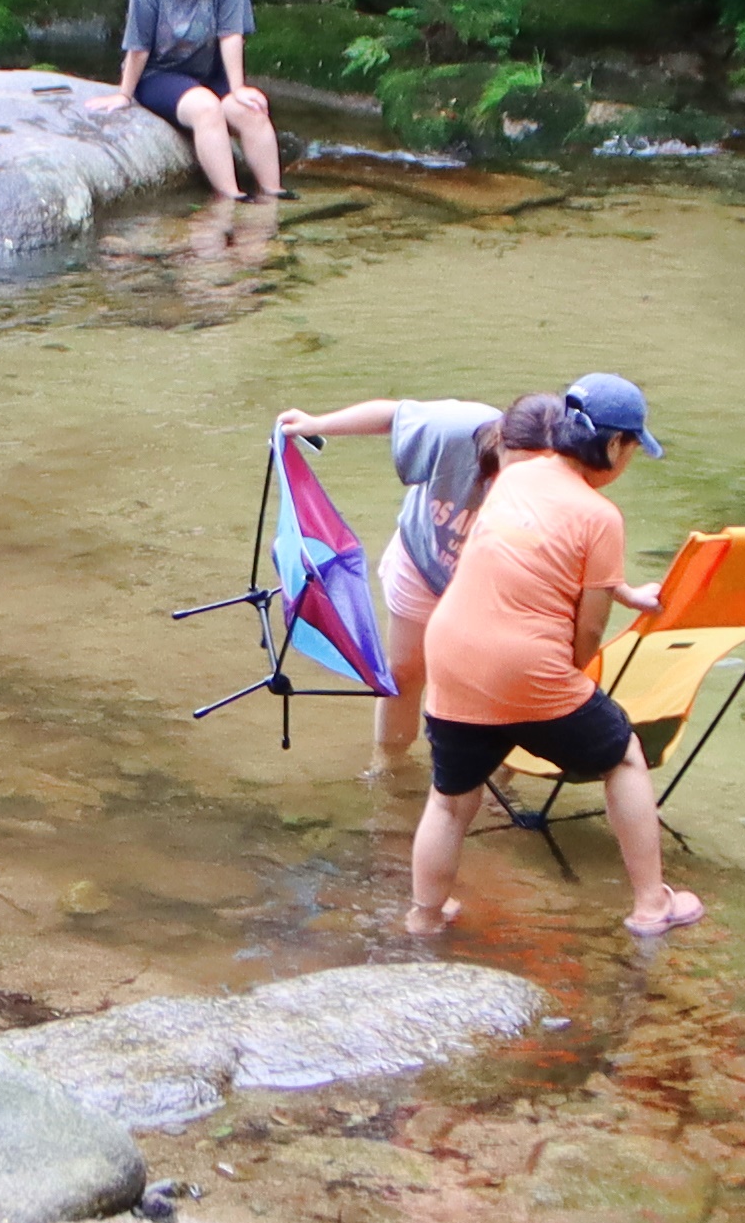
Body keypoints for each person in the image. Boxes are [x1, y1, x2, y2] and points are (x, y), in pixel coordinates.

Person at [406, 370, 701, 941]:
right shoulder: (601, 516)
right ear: (615, 446)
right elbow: (588, 629)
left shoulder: (517, 476)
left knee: (449, 800)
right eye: (634, 448)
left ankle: (423, 918)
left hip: (449, 649)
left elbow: (534, 548)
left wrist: (621, 587)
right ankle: (650, 906)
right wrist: (572, 677)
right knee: (623, 756)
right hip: (525, 665)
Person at [272, 384, 516, 773]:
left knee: (499, 686)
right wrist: (318, 423)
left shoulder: (554, 484)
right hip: (422, 561)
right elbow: (392, 415)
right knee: (403, 672)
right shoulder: (457, 429)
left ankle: (500, 781)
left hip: (494, 588)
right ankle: (389, 764)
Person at [118, 0, 283, 199]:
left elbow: (231, 33)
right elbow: (138, 48)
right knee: (207, 108)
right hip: (159, 75)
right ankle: (233, 199)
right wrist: (123, 95)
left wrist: (238, 88)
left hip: (208, 71)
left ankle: (274, 196)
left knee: (251, 110)